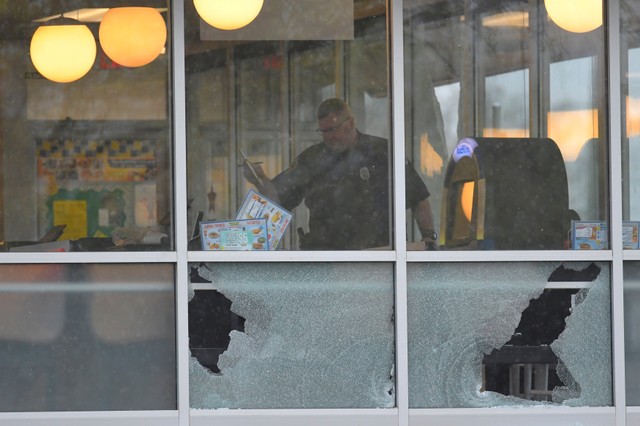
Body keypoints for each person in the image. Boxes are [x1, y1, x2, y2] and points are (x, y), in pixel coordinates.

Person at [243, 98, 437, 250]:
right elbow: (277, 198)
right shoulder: (312, 159)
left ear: (350, 123)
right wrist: (260, 179)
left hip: (380, 256)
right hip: (328, 259)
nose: (328, 136)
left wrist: (428, 238)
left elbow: (419, 198)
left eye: (333, 129)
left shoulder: (383, 152)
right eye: (323, 131)